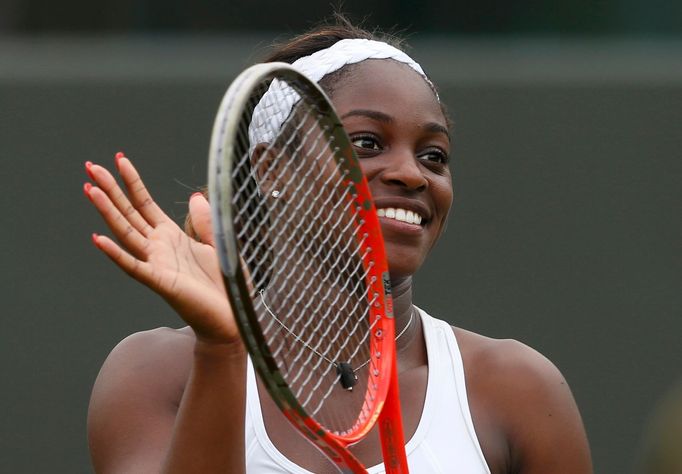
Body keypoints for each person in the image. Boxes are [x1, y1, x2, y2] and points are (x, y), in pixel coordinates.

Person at [84, 17, 593, 474]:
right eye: (367, 142)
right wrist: (223, 349)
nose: (411, 174)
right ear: (271, 169)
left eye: (434, 156)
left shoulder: (520, 391)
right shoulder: (153, 372)